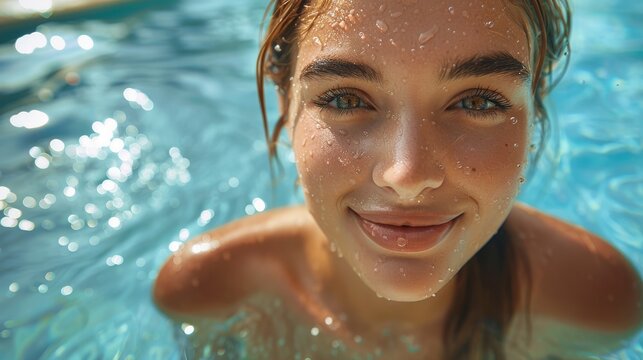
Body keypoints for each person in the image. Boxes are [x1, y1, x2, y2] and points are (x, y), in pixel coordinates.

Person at [153, 0, 642, 358]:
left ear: (534, 111)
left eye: (477, 101)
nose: (407, 176)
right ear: (285, 105)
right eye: (346, 99)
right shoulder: (210, 288)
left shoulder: (592, 299)